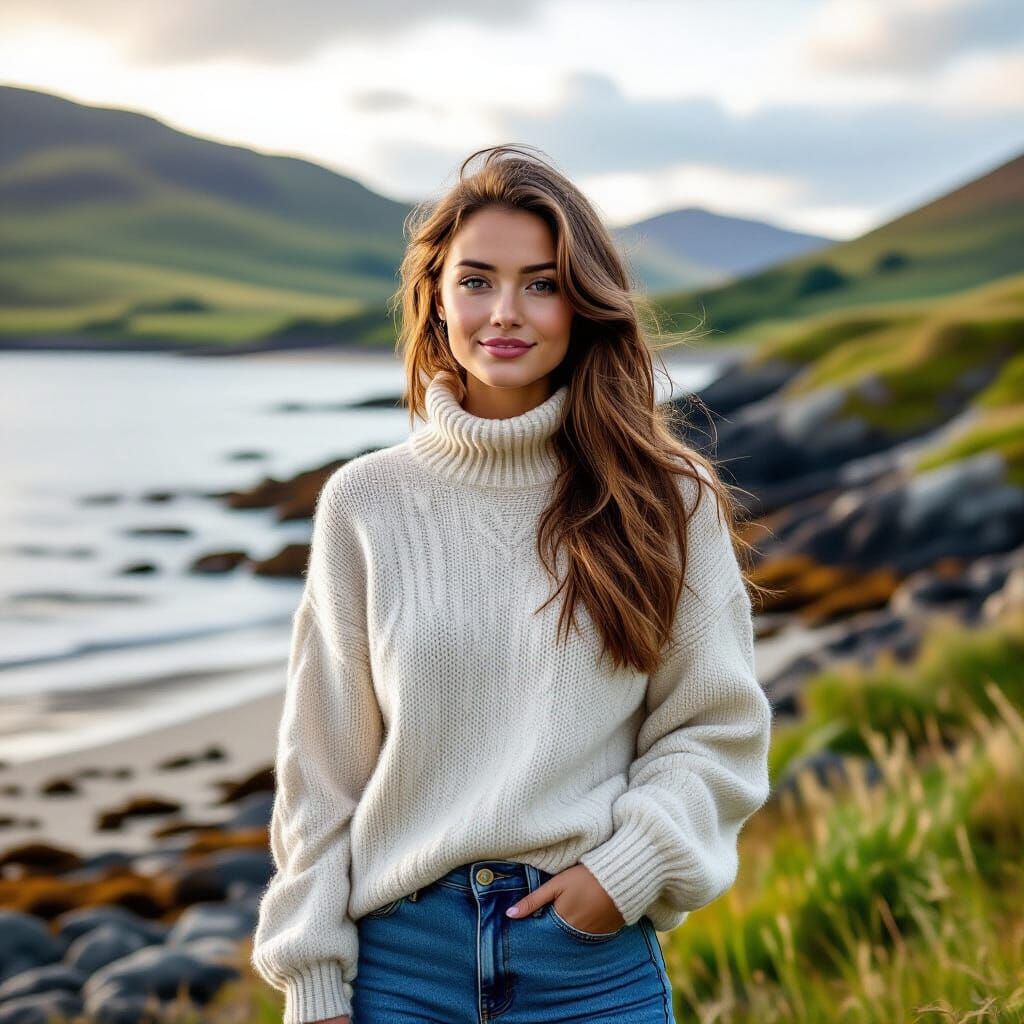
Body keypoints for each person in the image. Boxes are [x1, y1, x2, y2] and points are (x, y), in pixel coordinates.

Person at [250, 144, 773, 1024]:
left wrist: (623, 873)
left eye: (541, 283)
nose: (505, 312)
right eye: (476, 280)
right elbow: (322, 766)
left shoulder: (664, 497)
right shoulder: (365, 502)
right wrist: (312, 975)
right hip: (400, 967)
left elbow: (716, 726)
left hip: (589, 962)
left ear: (583, 302)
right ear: (436, 297)